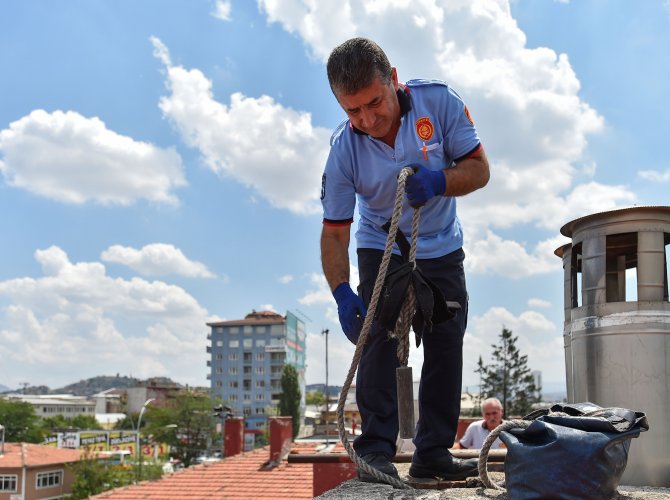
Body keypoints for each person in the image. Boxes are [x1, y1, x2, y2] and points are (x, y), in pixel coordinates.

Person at [320, 37, 490, 483]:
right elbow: (335, 232)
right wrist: (341, 293)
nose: (367, 120)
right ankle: (375, 448)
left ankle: (432, 453)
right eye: (352, 111)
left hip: (441, 243)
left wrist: (439, 181)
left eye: (374, 103)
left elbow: (479, 170)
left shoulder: (440, 102)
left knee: (444, 341)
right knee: (377, 334)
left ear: (393, 80)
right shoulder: (344, 149)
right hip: (381, 240)